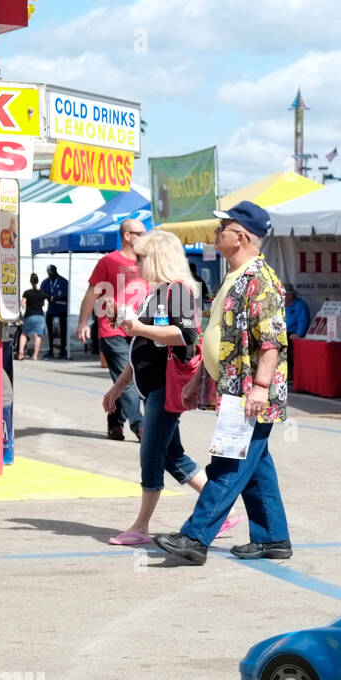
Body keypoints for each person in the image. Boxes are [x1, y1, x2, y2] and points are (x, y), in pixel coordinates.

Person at [154, 201, 292, 566]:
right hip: (236, 388)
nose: (215, 235)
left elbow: (271, 341)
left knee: (228, 464)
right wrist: (201, 375)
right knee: (256, 466)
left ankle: (195, 537)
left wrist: (261, 387)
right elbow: (223, 335)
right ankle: (273, 538)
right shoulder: (235, 276)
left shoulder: (260, 281)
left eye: (222, 229)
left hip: (251, 392)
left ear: (241, 237)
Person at [101, 230, 244, 546]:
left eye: (140, 256)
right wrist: (118, 387)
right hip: (155, 386)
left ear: (156, 258)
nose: (135, 262)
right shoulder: (161, 291)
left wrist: (138, 327)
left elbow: (187, 336)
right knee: (171, 455)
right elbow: (142, 344)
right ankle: (219, 510)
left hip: (166, 387)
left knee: (151, 453)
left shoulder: (177, 290)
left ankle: (141, 526)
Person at [77, 219, 148, 441]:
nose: (145, 237)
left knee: (124, 379)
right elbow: (92, 293)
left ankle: (114, 425)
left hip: (139, 329)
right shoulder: (108, 261)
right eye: (140, 233)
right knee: (129, 380)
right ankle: (141, 426)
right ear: (127, 235)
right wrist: (82, 323)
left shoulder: (147, 263)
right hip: (112, 330)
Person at [41, 265, 70, 359]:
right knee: (50, 331)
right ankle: (51, 349)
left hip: (62, 309)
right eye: (49, 272)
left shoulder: (63, 281)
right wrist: (48, 297)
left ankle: (63, 349)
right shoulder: (46, 282)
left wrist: (55, 298)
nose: (50, 274)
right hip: (51, 310)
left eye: (52, 272)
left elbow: (67, 295)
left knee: (63, 330)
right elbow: (42, 293)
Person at [17, 274, 48, 361]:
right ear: (38, 281)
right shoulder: (42, 293)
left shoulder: (27, 293)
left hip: (29, 316)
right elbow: (44, 303)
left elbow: (22, 305)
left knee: (24, 334)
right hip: (40, 316)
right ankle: (35, 355)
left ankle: (21, 353)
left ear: (30, 281)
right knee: (38, 336)